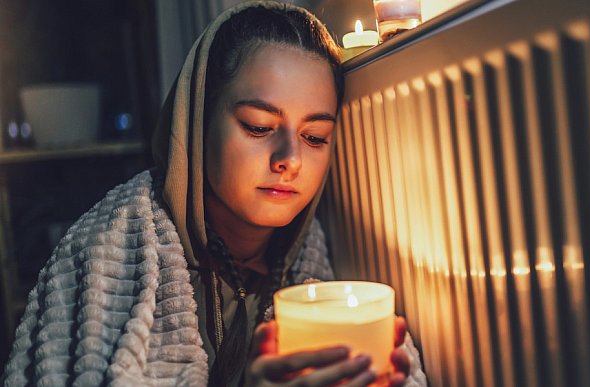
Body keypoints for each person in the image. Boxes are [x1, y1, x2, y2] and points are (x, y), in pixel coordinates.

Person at [1, 1, 427, 386]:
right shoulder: (107, 254)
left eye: (314, 136)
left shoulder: (309, 262)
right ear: (198, 122)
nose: (290, 159)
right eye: (259, 127)